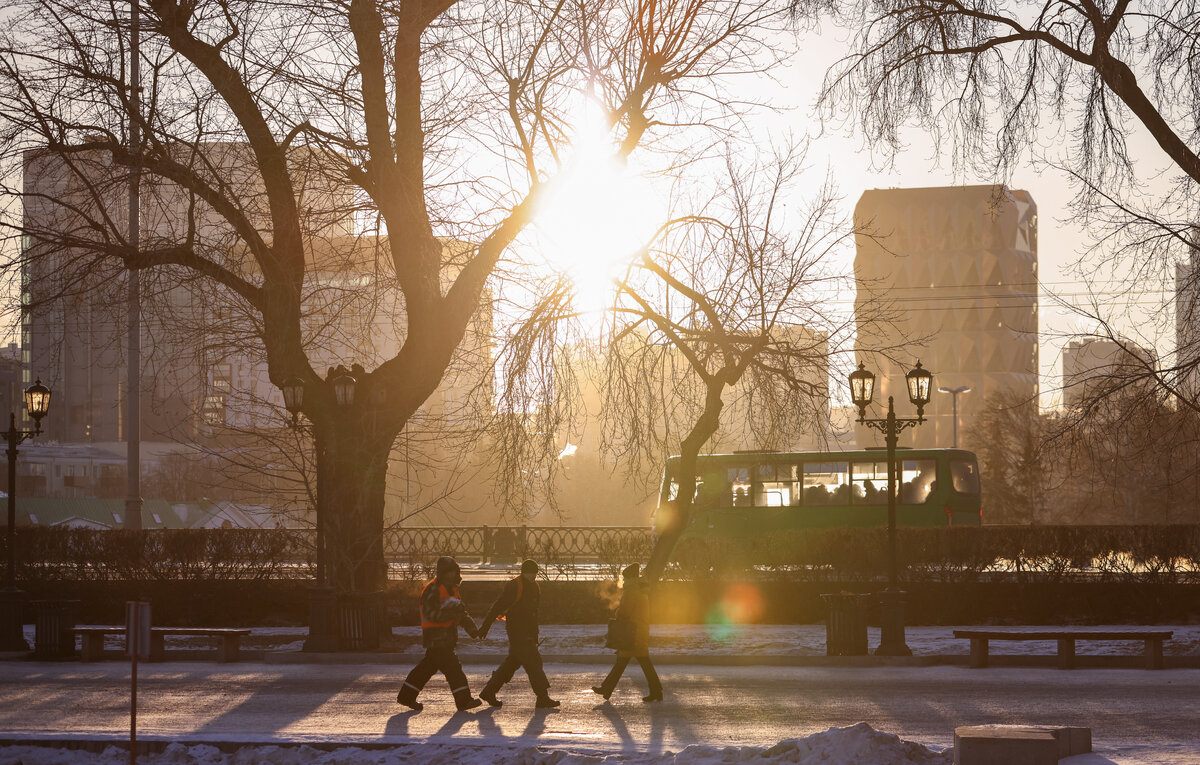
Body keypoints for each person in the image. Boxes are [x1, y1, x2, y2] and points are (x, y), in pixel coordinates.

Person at [397, 556, 482, 712]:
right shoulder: (433, 590)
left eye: (453, 572)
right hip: (436, 638)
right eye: (448, 572)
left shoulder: (452, 590)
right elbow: (430, 614)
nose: (451, 575)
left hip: (446, 639)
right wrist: (450, 615)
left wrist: (473, 630)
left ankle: (406, 696)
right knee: (453, 669)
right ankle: (464, 701)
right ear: (442, 573)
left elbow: (461, 613)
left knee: (426, 669)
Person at [476, 559, 560, 709]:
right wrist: (486, 626)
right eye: (530, 574)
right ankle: (542, 697)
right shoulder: (515, 586)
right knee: (534, 662)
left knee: (512, 663)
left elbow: (534, 613)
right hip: (516, 631)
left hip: (527, 632)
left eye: (535, 574)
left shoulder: (535, 587)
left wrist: (535, 634)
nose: (533, 577)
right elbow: (497, 606)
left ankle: (489, 691)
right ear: (524, 572)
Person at [592, 564, 663, 703]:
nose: (623, 581)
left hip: (633, 633)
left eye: (625, 578)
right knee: (631, 662)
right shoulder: (640, 590)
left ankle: (607, 689)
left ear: (630, 578)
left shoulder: (632, 592)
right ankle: (655, 691)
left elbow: (625, 612)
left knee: (629, 662)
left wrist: (617, 613)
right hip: (638, 631)